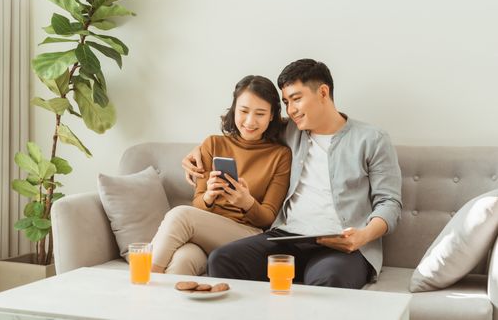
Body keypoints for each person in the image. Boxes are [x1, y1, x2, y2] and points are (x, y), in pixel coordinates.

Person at [182, 59, 402, 288]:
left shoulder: (372, 139)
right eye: (286, 102)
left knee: (328, 278)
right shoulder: (290, 129)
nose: (291, 110)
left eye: (297, 99)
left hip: (341, 245)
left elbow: (390, 202)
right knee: (222, 260)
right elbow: (247, 129)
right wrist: (197, 151)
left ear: (323, 93)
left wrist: (363, 236)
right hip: (286, 237)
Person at [151, 75, 291, 276]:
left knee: (180, 215)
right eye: (243, 111)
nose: (250, 121)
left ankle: (140, 286)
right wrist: (208, 195)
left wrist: (246, 202)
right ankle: (156, 304)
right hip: (204, 233)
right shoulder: (212, 145)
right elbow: (198, 204)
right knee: (182, 261)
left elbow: (268, 217)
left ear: (271, 116)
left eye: (260, 113)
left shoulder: (280, 155)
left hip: (246, 236)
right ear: (234, 109)